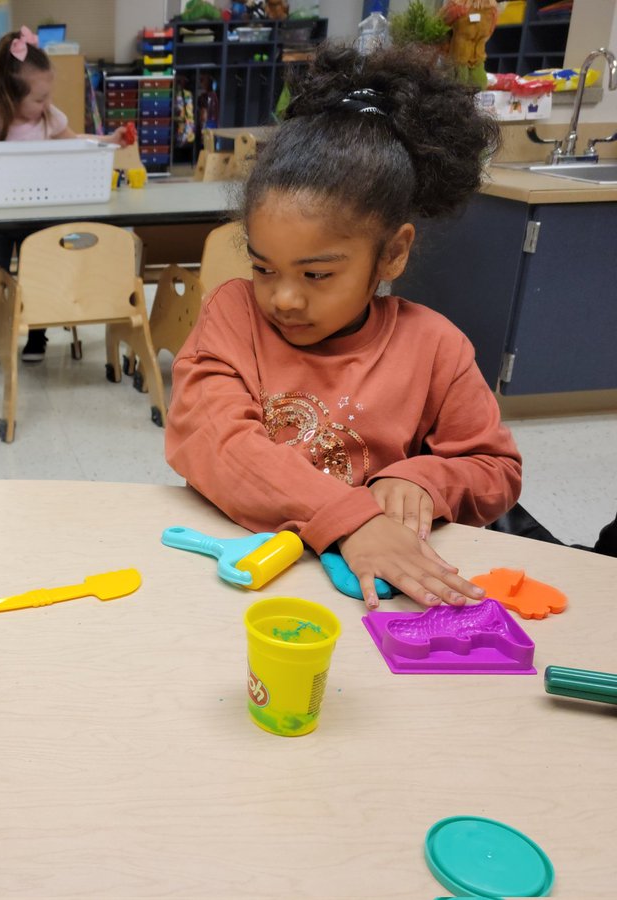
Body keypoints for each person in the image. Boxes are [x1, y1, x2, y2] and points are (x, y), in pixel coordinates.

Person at [165, 44, 522, 610]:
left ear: (392, 254)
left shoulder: (434, 347)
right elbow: (216, 442)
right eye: (263, 267)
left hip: (371, 599)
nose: (283, 297)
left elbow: (495, 469)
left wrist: (425, 480)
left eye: (316, 274)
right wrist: (352, 520)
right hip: (241, 579)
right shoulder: (233, 316)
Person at [0, 26, 127, 364]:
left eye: (48, 96)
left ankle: (36, 336)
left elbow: (77, 141)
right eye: (39, 98)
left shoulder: (49, 118)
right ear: (10, 95)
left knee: (39, 277)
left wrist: (110, 141)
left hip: (40, 215)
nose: (47, 103)